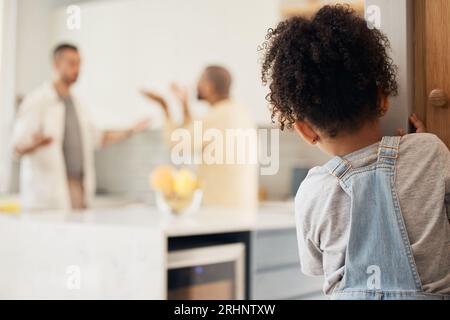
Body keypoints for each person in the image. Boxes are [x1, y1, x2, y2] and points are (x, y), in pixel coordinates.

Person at [261, 5, 450, 300]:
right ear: (382, 98)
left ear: (305, 130)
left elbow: (315, 266)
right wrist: (424, 146)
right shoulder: (428, 152)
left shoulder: (312, 191)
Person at [13, 43, 149, 210]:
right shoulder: (37, 101)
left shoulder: (79, 105)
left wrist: (131, 130)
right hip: (47, 194)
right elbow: (16, 148)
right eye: (71, 63)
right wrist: (34, 144)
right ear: (56, 65)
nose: (77, 69)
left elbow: (98, 138)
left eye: (79, 64)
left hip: (78, 189)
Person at [142, 66, 258, 210]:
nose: (196, 86)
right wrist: (184, 105)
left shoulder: (217, 117)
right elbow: (194, 131)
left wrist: (164, 106)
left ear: (209, 87)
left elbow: (177, 144)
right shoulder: (240, 111)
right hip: (242, 206)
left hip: (220, 209)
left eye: (200, 82)